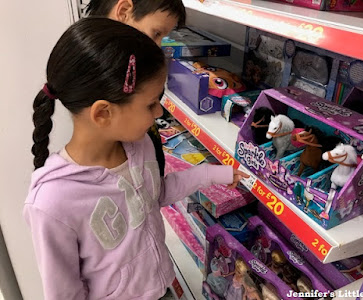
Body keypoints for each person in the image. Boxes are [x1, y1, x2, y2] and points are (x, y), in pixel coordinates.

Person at [24, 17, 247, 300]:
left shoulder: (138, 145)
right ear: (103, 113)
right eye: (151, 103)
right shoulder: (52, 203)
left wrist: (212, 174)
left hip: (162, 284)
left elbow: (156, 193)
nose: (158, 114)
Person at [86, 0, 187, 177]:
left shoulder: (135, 63)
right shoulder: (105, 78)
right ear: (124, 11)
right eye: (156, 33)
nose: (158, 46)